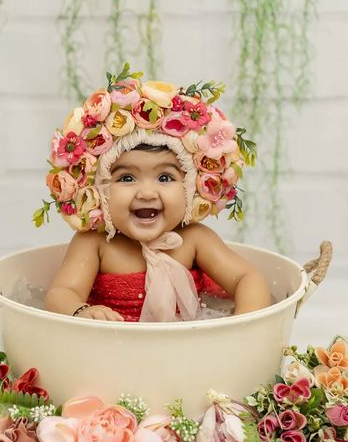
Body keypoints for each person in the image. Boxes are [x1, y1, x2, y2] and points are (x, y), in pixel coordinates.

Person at [34, 64, 271, 322]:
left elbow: (248, 278)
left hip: (185, 346)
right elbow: (61, 292)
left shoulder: (194, 240)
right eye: (126, 178)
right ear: (99, 191)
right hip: (113, 345)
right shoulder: (95, 243)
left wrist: (239, 324)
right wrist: (82, 311)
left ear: (190, 187)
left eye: (165, 177)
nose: (147, 192)